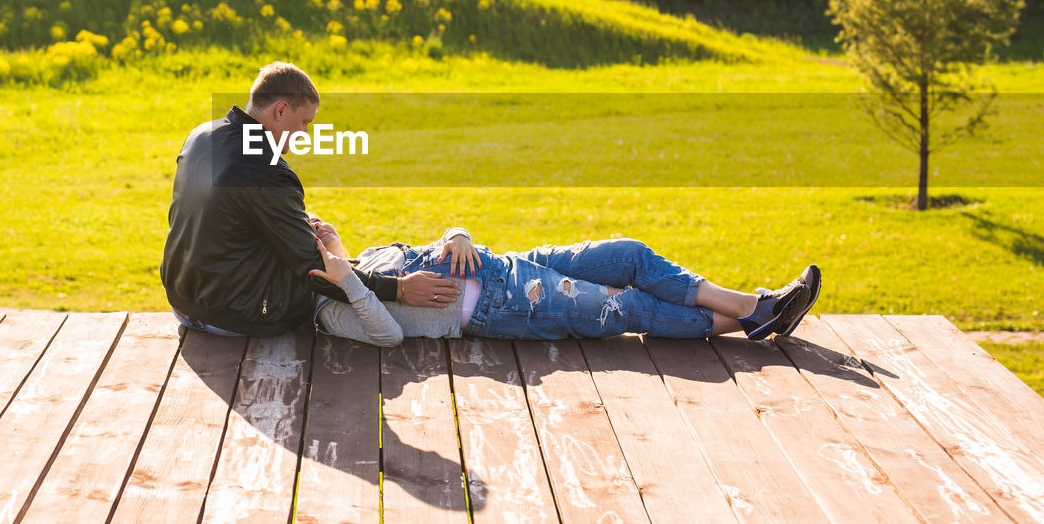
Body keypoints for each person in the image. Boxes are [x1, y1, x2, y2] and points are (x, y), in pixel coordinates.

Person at [160, 62, 461, 338]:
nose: (305, 133)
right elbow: (315, 269)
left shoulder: (201, 135)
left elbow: (228, 215)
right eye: (304, 121)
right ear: (280, 110)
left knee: (318, 246)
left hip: (183, 302)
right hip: (235, 316)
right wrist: (399, 289)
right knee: (334, 290)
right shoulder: (269, 172)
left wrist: (298, 225)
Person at [305, 215, 821, 346]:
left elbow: (437, 245)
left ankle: (757, 307)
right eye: (310, 232)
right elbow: (387, 333)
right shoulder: (330, 312)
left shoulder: (370, 256)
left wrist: (457, 233)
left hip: (510, 261)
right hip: (506, 306)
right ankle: (759, 314)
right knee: (629, 307)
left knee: (630, 253)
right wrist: (345, 278)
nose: (318, 226)